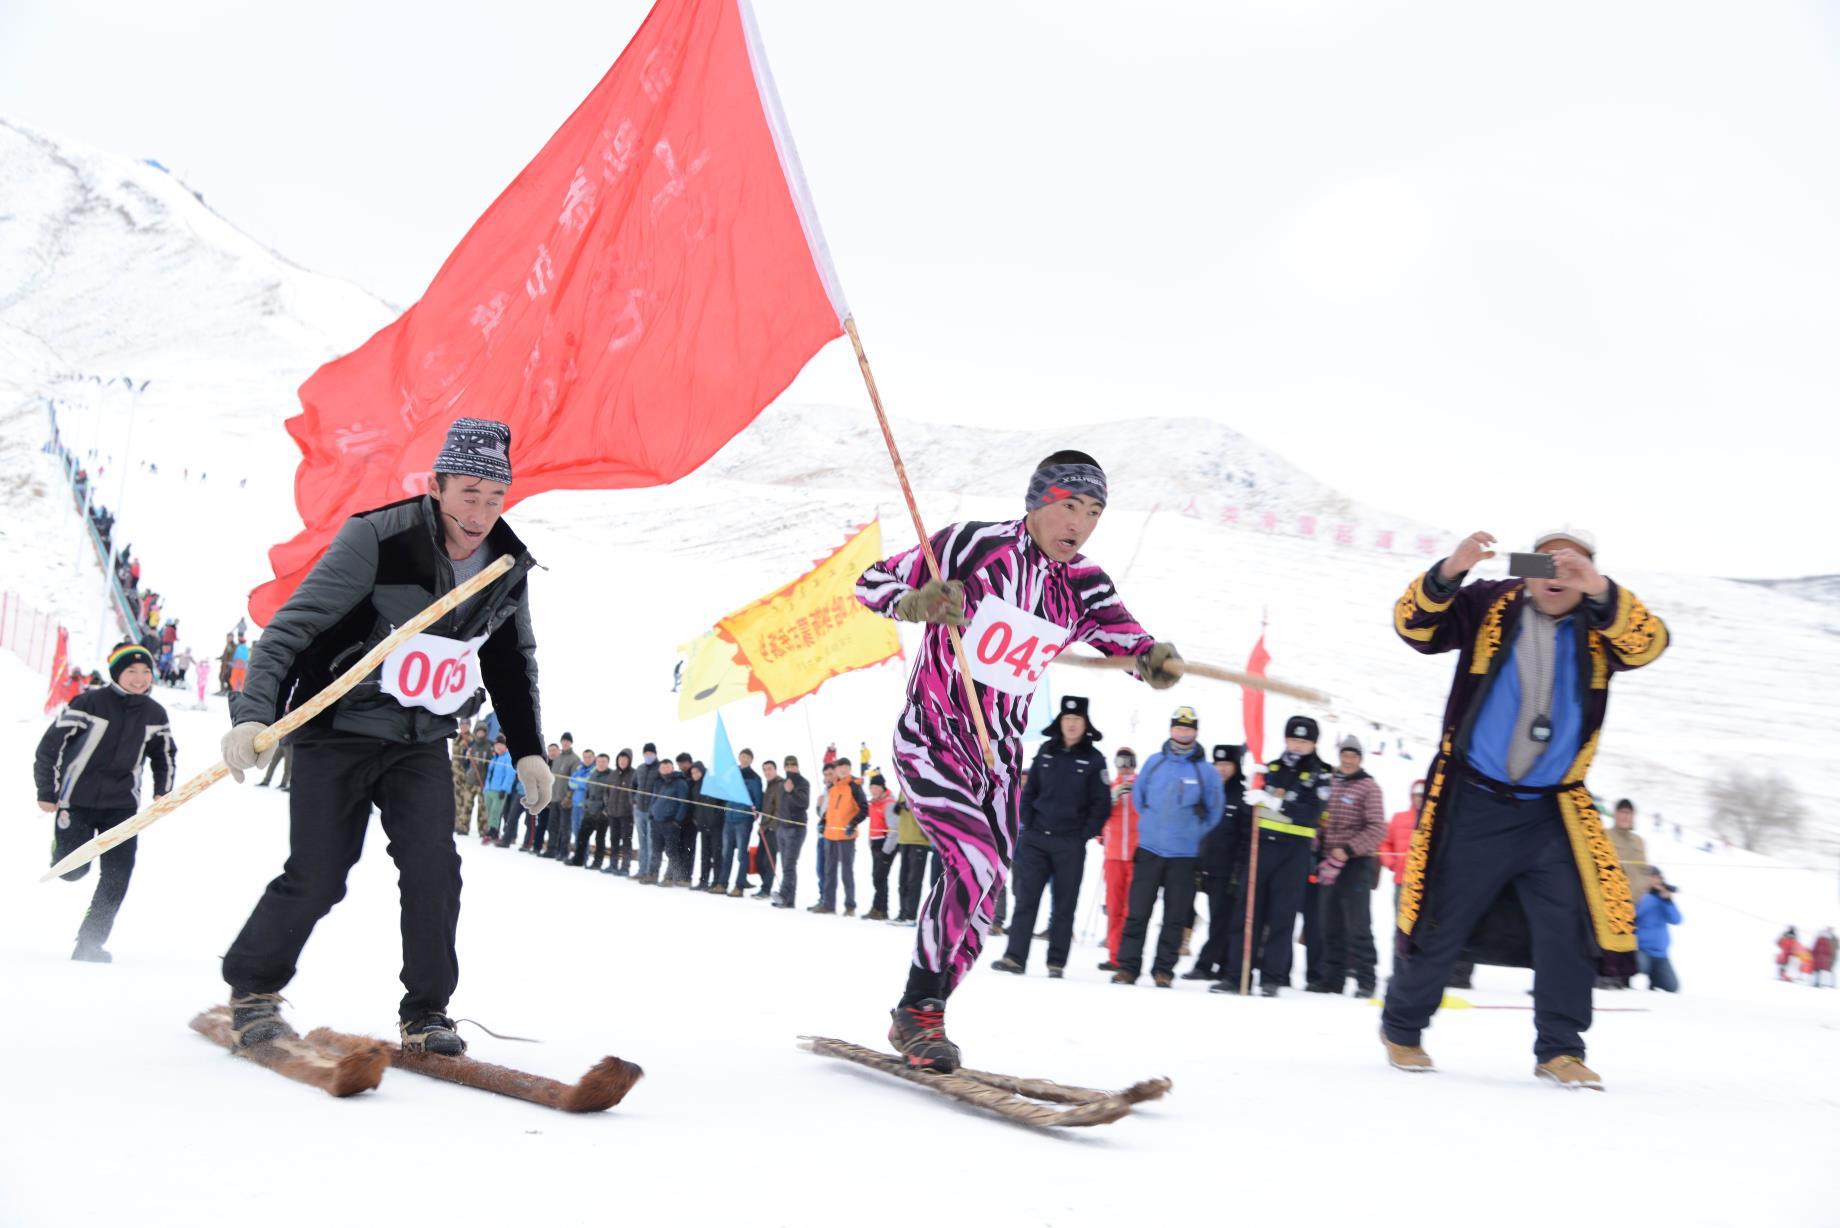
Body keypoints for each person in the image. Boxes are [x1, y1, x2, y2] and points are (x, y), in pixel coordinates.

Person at [217, 418, 550, 1055]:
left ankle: (427, 1012)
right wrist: (252, 714)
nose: (480, 512)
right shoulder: (379, 537)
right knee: (320, 874)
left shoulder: (507, 563)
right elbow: (290, 630)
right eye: (468, 494)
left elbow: (510, 660)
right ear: (438, 486)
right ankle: (254, 988)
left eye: (494, 497)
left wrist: (529, 747)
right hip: (337, 727)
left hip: (418, 739)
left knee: (434, 869)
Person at [856, 450, 1176, 1069]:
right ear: (1037, 502)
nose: (1078, 523)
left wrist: (1154, 660)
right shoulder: (969, 545)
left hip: (999, 757)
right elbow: (871, 583)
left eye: (1092, 512)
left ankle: (926, 1013)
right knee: (973, 864)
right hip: (932, 736)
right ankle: (917, 1010)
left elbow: (1126, 639)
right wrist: (916, 601)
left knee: (984, 894)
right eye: (1068, 506)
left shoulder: (1084, 583)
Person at [1381, 527, 1669, 1089]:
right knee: (1440, 919)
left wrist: (1602, 591)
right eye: (1547, 562)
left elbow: (1650, 643)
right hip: (1474, 801)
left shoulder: (1603, 625)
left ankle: (1560, 1049)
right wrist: (1451, 570)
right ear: (1526, 568)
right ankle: (1403, 1029)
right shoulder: (1491, 600)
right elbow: (1413, 626)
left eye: (1575, 567)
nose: (1559, 574)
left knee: (1567, 928)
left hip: (1552, 813)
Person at [35, 643, 177, 962]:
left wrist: (163, 789)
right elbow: (49, 748)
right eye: (131, 671)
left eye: (145, 672)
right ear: (116, 673)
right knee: (72, 871)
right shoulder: (88, 703)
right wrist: (47, 791)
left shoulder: (155, 713)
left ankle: (90, 943)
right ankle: (61, 850)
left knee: (117, 875)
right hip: (77, 801)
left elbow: (164, 753)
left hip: (122, 807)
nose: (140, 678)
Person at [992, 695, 1110, 978]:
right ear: (1060, 722)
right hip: (1036, 840)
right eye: (1067, 719)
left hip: (1070, 844)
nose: (1071, 724)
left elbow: (1102, 804)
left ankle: (1056, 962)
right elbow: (1029, 793)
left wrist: (1082, 834)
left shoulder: (1094, 760)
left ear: (1085, 724)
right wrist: (1029, 825)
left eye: (1076, 720)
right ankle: (1014, 957)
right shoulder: (1046, 751)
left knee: (1064, 905)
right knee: (1026, 900)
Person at [1215, 716, 1332, 997]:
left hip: (1295, 851)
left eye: (1304, 741)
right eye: (1293, 739)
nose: (1297, 745)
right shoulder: (1270, 768)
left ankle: (1272, 977)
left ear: (1314, 744)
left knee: (1282, 915)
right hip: (1263, 847)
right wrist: (1254, 792)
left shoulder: (1322, 773)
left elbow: (1312, 813)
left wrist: (1275, 802)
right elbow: (1252, 810)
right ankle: (1236, 974)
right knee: (1247, 912)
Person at [1109, 707, 1225, 986]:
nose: (1183, 733)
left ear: (1195, 732)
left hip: (1183, 856)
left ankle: (1163, 970)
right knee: (1137, 912)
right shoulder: (1154, 762)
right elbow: (1139, 797)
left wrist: (1193, 832)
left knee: (1174, 916)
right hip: (1150, 849)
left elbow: (1214, 810)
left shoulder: (1205, 771)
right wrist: (1150, 824)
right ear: (1171, 729)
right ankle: (1128, 966)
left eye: (1188, 729)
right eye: (1178, 728)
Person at [1312, 735, 1387, 997]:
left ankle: (1366, 980)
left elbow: (1378, 827)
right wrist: (1317, 841)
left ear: (1360, 758)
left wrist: (1349, 849)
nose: (1348, 760)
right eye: (1344, 754)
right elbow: (1321, 817)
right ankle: (1332, 979)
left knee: (1358, 924)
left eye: (1353, 755)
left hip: (1356, 863)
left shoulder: (1369, 787)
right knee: (1329, 923)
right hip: (1328, 863)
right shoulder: (1331, 783)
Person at [1185, 744, 1251, 981]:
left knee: (1223, 920)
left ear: (1236, 766)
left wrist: (1239, 870)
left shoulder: (1242, 796)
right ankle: (1222, 963)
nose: (1222, 769)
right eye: (1219, 764)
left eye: (1227, 764)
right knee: (1218, 918)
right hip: (1205, 865)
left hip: (1229, 869)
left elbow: (1246, 837)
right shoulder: (1207, 792)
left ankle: (1205, 965)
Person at [1097, 747, 1140, 973]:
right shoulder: (1109, 788)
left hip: (1136, 855)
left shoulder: (1141, 786)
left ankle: (1128, 956)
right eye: (1120, 761)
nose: (1124, 766)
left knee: (1130, 907)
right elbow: (1098, 819)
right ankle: (1114, 955)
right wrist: (1112, 799)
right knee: (1113, 907)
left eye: (1128, 761)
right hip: (1113, 856)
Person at [814, 759, 869, 915]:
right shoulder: (833, 788)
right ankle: (828, 905)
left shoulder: (854, 786)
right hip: (830, 835)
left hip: (846, 836)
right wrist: (822, 822)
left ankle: (850, 906)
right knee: (829, 871)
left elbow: (864, 809)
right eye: (841, 768)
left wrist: (852, 823)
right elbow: (829, 810)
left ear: (850, 769)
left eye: (846, 768)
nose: (843, 770)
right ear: (836, 770)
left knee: (846, 872)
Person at [721, 748, 765, 896]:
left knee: (741, 854)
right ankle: (722, 884)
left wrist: (754, 814)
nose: (744, 759)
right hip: (729, 818)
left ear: (751, 760)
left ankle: (739, 886)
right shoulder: (732, 774)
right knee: (726, 852)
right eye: (742, 756)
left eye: (747, 757)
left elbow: (758, 800)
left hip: (743, 820)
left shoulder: (754, 778)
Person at [770, 755, 812, 908]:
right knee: (786, 865)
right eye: (787, 765)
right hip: (782, 827)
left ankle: (783, 894)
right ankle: (789, 899)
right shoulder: (782, 784)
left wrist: (792, 791)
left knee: (789, 863)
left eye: (793, 765)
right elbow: (777, 805)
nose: (790, 767)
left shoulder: (803, 782)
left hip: (796, 828)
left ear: (797, 766)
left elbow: (804, 803)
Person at [643, 756, 689, 884]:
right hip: (656, 822)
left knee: (671, 851)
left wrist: (677, 820)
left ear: (672, 768)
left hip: (670, 823)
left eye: (667, 766)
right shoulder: (659, 782)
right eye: (662, 767)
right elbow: (653, 799)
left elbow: (683, 803)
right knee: (656, 850)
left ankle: (670, 876)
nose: (665, 769)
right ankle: (653, 874)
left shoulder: (680, 783)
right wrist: (651, 814)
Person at [1634, 868, 1681, 992]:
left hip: (1661, 953)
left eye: (1658, 877)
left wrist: (1668, 901)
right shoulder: (1644, 898)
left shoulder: (1664, 901)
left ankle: (1654, 981)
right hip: (1642, 950)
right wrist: (1651, 897)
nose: (1655, 880)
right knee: (1639, 968)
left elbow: (1676, 920)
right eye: (1652, 877)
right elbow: (1635, 915)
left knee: (1672, 986)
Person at [541, 734, 582, 860]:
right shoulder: (557, 758)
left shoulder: (575, 759)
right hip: (554, 797)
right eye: (563, 741)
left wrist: (569, 797)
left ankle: (563, 851)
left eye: (567, 741)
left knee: (565, 827)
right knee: (552, 825)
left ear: (571, 743)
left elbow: (575, 780)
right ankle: (551, 849)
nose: (565, 743)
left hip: (565, 799)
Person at [863, 773, 898, 920]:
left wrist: (886, 850)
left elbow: (894, 828)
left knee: (879, 877)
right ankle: (881, 909)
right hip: (876, 844)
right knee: (877, 877)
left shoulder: (888, 803)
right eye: (871, 787)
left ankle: (879, 908)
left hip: (885, 845)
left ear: (882, 787)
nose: (874, 790)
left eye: (876, 787)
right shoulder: (874, 803)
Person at [892, 791, 929, 925]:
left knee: (914, 880)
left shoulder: (921, 784)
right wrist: (898, 807)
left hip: (919, 840)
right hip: (904, 839)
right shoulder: (903, 788)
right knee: (903, 879)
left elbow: (929, 809)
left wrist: (913, 806)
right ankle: (902, 913)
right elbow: (899, 810)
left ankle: (910, 915)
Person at [572, 753, 614, 869]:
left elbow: (611, 795)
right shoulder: (593, 774)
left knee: (599, 839)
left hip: (602, 813)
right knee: (582, 836)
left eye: (604, 762)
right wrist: (586, 804)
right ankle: (578, 860)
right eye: (599, 761)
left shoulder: (611, 775)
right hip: (589, 810)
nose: (601, 764)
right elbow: (588, 791)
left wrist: (605, 811)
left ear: (607, 763)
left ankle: (597, 862)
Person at [600, 749, 638, 876]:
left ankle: (625, 867)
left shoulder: (634, 774)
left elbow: (636, 793)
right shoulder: (613, 774)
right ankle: (613, 864)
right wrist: (607, 805)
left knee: (626, 840)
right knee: (613, 839)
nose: (622, 762)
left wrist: (632, 806)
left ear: (629, 761)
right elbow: (606, 791)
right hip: (612, 813)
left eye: (625, 760)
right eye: (620, 759)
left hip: (627, 814)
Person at [751, 758, 782, 898]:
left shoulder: (779, 785)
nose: (767, 772)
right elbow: (766, 808)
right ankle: (765, 886)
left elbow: (779, 809)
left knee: (768, 860)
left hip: (773, 829)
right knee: (759, 859)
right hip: (764, 828)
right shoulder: (769, 786)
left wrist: (772, 827)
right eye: (765, 769)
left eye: (770, 769)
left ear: (775, 770)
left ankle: (766, 889)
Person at [633, 744, 662, 883]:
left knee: (652, 843)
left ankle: (651, 872)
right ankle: (641, 870)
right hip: (639, 810)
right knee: (642, 842)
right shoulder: (640, 768)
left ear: (655, 754)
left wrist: (656, 807)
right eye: (646, 753)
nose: (648, 756)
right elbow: (633, 786)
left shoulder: (660, 768)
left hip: (652, 812)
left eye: (651, 753)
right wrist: (633, 801)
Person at [450, 720, 483, 835]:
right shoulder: (456, 738)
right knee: (456, 799)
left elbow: (472, 756)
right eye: (461, 725)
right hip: (455, 773)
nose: (463, 727)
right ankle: (456, 822)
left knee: (465, 800)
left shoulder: (471, 739)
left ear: (469, 726)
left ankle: (462, 824)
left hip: (465, 773)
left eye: (466, 725)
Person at [483, 735, 515, 843]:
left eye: (501, 745)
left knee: (495, 812)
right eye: (496, 745)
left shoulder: (508, 758)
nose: (498, 747)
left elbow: (510, 775)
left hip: (499, 791)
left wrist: (504, 789)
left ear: (505, 746)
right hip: (489, 790)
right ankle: (492, 830)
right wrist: (486, 789)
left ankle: (493, 831)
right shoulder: (494, 758)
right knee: (489, 811)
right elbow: (489, 774)